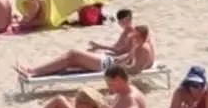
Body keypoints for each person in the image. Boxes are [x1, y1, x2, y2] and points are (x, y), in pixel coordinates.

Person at [15, 24, 155, 80]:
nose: (132, 37)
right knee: (71, 58)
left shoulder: (143, 49)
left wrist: (119, 66)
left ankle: (33, 72)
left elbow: (135, 70)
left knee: (73, 55)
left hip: (109, 66)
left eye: (134, 35)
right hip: (111, 62)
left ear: (141, 36)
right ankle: (33, 71)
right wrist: (120, 58)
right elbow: (130, 58)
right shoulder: (141, 44)